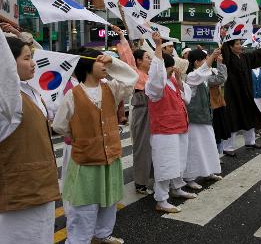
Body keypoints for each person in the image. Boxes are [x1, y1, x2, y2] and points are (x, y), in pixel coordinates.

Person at [52, 47, 138, 244]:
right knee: (84, 205)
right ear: (87, 65)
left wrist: (113, 63)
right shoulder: (73, 95)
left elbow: (132, 77)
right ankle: (78, 240)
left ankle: (103, 234)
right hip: (86, 160)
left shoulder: (111, 88)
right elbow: (59, 125)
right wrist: (80, 135)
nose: (104, 65)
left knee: (109, 200)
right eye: (100, 61)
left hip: (110, 156)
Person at [0, 35, 60, 244]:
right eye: (26, 58)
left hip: (40, 188)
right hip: (20, 193)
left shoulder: (30, 91)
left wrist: (26, 40)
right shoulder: (7, 102)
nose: (33, 63)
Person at [146, 33, 196, 213]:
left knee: (178, 161)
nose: (171, 71)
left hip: (179, 127)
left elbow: (186, 99)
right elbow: (156, 78)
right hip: (164, 130)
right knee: (165, 164)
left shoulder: (173, 81)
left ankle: (177, 188)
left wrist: (180, 80)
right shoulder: (155, 86)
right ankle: (161, 199)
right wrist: (158, 46)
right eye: (169, 68)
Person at [115, 26, 153, 194]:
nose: (150, 60)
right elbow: (127, 56)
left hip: (154, 113)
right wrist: (122, 37)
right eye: (147, 58)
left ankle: (151, 177)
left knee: (154, 147)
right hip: (142, 112)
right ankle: (140, 182)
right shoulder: (134, 72)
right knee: (142, 147)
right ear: (138, 61)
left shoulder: (152, 75)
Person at [221, 40, 261, 156]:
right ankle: (227, 147)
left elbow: (257, 54)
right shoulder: (227, 59)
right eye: (237, 44)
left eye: (240, 43)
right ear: (230, 47)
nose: (240, 46)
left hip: (246, 92)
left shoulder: (245, 57)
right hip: (233, 94)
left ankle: (250, 141)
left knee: (249, 116)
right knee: (233, 119)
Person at [183, 48, 225, 190]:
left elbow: (221, 78)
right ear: (196, 62)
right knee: (194, 149)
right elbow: (202, 72)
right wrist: (212, 56)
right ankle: (189, 178)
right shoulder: (191, 76)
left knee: (208, 146)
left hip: (205, 118)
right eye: (204, 59)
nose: (207, 62)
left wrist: (219, 62)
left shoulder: (203, 75)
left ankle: (208, 172)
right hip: (195, 120)